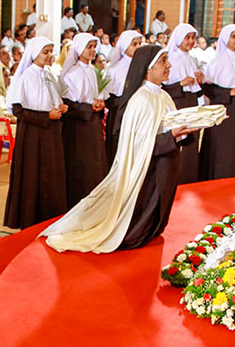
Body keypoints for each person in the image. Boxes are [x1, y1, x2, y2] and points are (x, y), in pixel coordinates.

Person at [41, 45, 199, 252]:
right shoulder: (141, 99)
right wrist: (171, 137)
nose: (169, 65)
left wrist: (186, 129)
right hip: (151, 169)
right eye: (163, 61)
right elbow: (139, 145)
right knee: (138, 221)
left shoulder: (163, 95)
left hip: (167, 161)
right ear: (148, 69)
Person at [3, 37, 68, 229]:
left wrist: (61, 107)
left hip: (51, 132)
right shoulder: (25, 77)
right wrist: (46, 116)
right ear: (34, 54)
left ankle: (50, 217)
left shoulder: (50, 74)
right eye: (45, 52)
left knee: (51, 174)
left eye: (51, 51)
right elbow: (18, 110)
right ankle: (31, 219)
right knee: (33, 175)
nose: (49, 56)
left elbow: (52, 99)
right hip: (32, 134)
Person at [60, 33, 109, 207]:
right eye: (89, 47)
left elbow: (98, 95)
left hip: (93, 122)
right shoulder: (70, 74)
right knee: (81, 164)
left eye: (94, 47)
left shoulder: (95, 71)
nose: (93, 50)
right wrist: (89, 108)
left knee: (95, 162)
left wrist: (100, 104)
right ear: (79, 48)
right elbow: (67, 104)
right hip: (78, 126)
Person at [200, 24, 235, 180]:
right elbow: (209, 89)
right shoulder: (218, 61)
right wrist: (229, 92)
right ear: (225, 38)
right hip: (224, 109)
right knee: (224, 148)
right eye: (233, 36)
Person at [163, 24, 204, 184]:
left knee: (192, 142)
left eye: (193, 38)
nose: (191, 41)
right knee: (178, 140)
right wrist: (180, 83)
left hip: (192, 102)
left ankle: (189, 178)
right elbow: (163, 87)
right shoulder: (170, 58)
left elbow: (197, 87)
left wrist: (199, 78)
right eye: (187, 37)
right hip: (177, 103)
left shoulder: (193, 59)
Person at [104, 30, 144, 165]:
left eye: (139, 44)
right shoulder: (115, 68)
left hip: (139, 114)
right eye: (134, 44)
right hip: (119, 115)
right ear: (125, 46)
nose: (138, 47)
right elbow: (109, 97)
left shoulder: (143, 67)